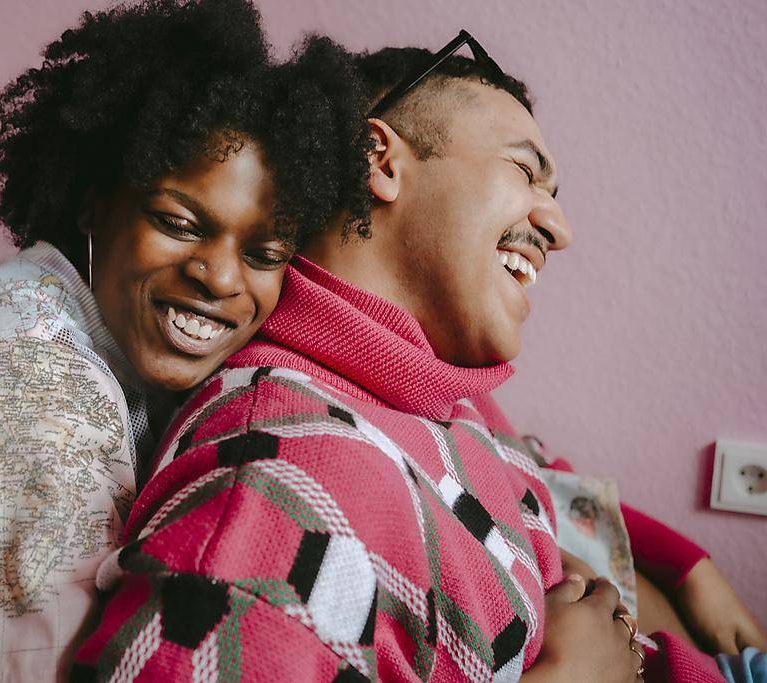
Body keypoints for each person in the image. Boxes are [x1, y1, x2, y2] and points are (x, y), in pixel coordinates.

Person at [71, 34, 757, 681]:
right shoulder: (278, 483)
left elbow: (540, 472)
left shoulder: (424, 381)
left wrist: (690, 566)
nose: (560, 227)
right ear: (381, 160)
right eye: (525, 171)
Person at [0, 1, 371, 680]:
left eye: (265, 251)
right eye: (177, 221)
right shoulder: (42, 399)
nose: (219, 276)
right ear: (94, 201)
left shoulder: (52, 296)